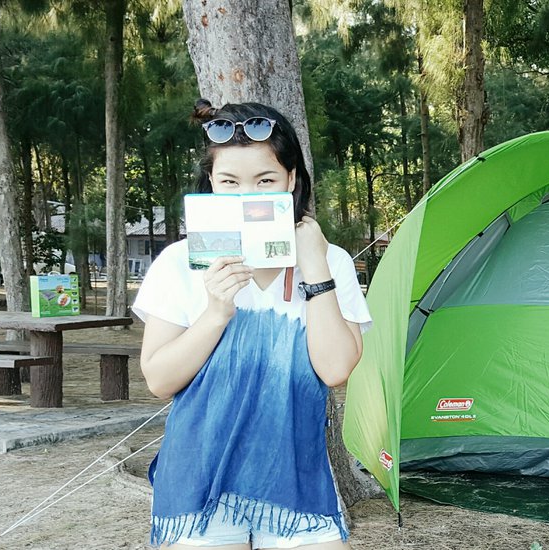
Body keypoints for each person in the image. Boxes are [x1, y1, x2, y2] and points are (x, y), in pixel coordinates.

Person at [132, 99, 371, 550]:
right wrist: (216, 311)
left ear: (291, 180)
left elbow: (336, 370)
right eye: (229, 182)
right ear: (211, 185)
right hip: (196, 488)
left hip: (297, 483)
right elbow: (160, 380)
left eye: (265, 180)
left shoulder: (329, 260)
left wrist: (316, 268)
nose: (247, 196)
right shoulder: (178, 264)